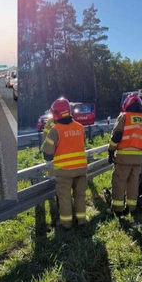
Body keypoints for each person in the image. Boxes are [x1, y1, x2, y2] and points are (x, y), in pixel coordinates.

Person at [43, 97, 88, 229]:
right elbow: (82, 145)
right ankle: (82, 221)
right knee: (80, 196)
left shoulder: (55, 130)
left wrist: (49, 163)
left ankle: (66, 224)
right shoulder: (80, 127)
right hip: (81, 169)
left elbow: (47, 152)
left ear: (56, 114)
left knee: (64, 198)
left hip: (64, 171)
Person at [107, 93, 142, 215]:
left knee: (119, 182)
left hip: (124, 156)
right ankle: (132, 208)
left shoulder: (124, 117)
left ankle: (118, 209)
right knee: (133, 183)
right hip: (139, 158)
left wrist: (111, 151)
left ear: (127, 105)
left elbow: (117, 136)